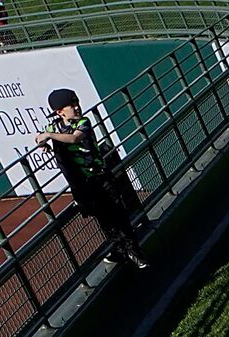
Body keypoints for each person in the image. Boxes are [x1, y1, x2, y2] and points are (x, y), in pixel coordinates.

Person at [34, 89, 147, 272]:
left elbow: (73, 138)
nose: (77, 107)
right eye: (71, 105)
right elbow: (38, 138)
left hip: (100, 177)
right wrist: (42, 141)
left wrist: (49, 137)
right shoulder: (54, 127)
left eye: (77, 103)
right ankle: (119, 250)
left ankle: (134, 251)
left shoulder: (83, 122)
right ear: (59, 112)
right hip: (83, 184)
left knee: (118, 213)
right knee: (104, 219)